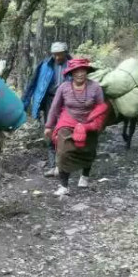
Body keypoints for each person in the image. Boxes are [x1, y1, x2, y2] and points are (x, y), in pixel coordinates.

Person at [44, 58, 109, 196]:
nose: (80, 74)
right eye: (76, 71)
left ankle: (84, 176)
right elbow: (54, 108)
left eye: (83, 70)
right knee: (63, 152)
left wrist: (96, 125)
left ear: (87, 72)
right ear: (71, 73)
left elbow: (101, 107)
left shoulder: (95, 87)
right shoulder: (64, 87)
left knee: (88, 149)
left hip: (89, 121)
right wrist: (49, 126)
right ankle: (64, 185)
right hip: (68, 121)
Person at [22, 42, 71, 176]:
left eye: (59, 54)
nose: (56, 57)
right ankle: (52, 165)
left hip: (68, 102)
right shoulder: (44, 65)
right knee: (50, 131)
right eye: (54, 55)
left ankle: (64, 165)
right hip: (50, 100)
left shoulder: (73, 65)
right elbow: (32, 84)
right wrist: (25, 103)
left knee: (65, 132)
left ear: (66, 53)